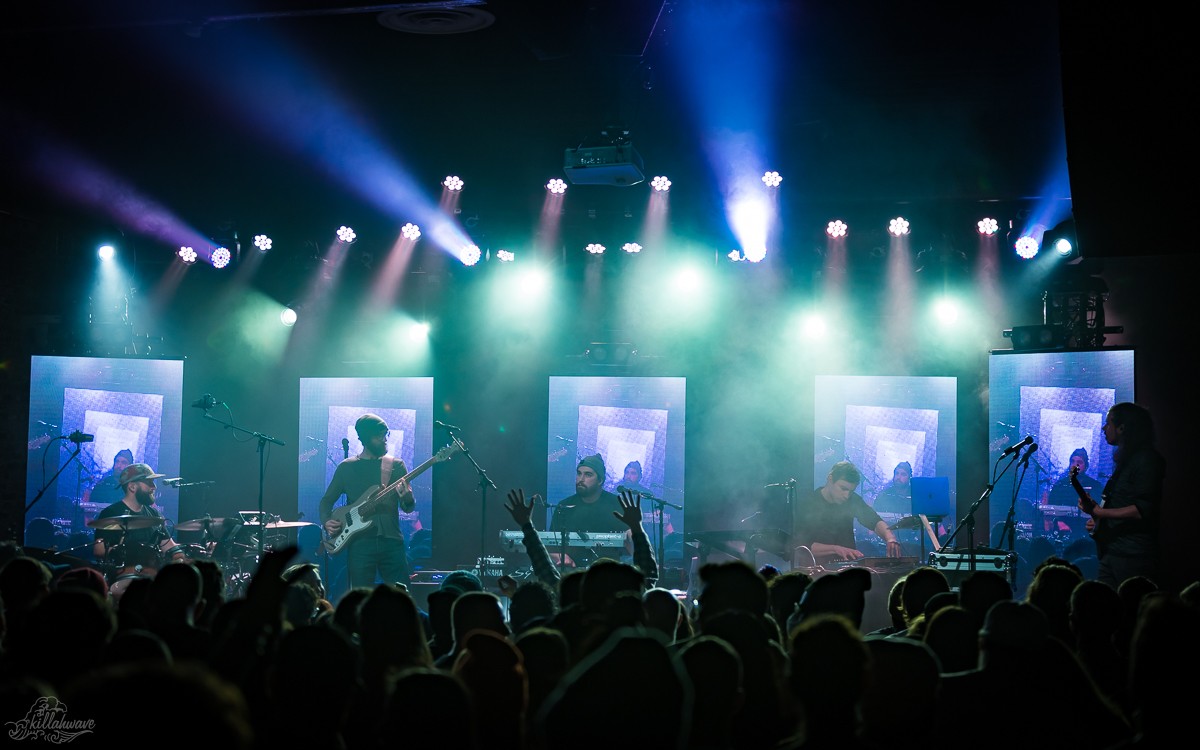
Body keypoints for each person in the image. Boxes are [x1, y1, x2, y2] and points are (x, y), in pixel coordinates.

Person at [319, 413, 413, 589]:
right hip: (360, 543)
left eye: (386, 435)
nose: (385, 440)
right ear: (366, 439)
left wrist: (406, 497)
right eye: (380, 436)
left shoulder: (396, 466)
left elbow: (408, 507)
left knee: (401, 597)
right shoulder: (346, 467)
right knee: (360, 600)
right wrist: (326, 521)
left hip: (392, 541)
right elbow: (326, 501)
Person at [1078, 402, 1165, 589]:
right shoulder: (1126, 460)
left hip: (1133, 556)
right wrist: (1099, 520)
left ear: (1122, 428)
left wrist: (1101, 514)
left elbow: (1142, 510)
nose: (1104, 428)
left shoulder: (1146, 460)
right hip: (1112, 551)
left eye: (1108, 423)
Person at [794, 460, 902, 562]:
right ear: (830, 479)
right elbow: (802, 547)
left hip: (847, 570)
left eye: (851, 491)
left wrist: (890, 538)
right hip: (817, 570)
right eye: (843, 488)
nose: (847, 495)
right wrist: (836, 549)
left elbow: (873, 520)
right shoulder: (808, 503)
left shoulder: (852, 500)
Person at [91, 462, 187, 568]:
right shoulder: (111, 513)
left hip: (151, 573)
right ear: (132, 487)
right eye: (149, 482)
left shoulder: (154, 514)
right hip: (123, 573)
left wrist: (185, 554)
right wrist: (126, 551)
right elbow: (98, 549)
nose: (154, 487)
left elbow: (169, 546)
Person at [548, 454, 626, 568]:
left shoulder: (616, 504)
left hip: (609, 571)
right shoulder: (564, 506)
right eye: (579, 473)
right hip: (572, 573)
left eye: (588, 475)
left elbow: (631, 541)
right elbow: (550, 545)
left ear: (600, 480)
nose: (581, 479)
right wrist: (559, 556)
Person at [1043, 447, 1099, 538]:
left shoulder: (1095, 486)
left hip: (1087, 530)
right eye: (1072, 461)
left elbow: (1099, 508)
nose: (1075, 465)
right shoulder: (1060, 485)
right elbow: (1051, 509)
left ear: (1086, 466)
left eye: (1079, 462)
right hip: (1062, 531)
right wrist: (1057, 521)